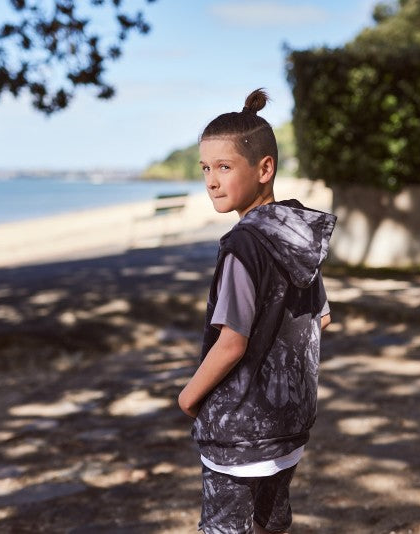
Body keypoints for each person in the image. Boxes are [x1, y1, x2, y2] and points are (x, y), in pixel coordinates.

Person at [178, 88, 337, 534]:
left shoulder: (243, 246)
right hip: (288, 427)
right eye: (205, 168)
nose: (211, 180)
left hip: (239, 434)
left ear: (264, 169)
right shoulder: (296, 236)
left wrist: (189, 397)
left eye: (224, 167)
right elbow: (321, 318)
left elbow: (232, 343)